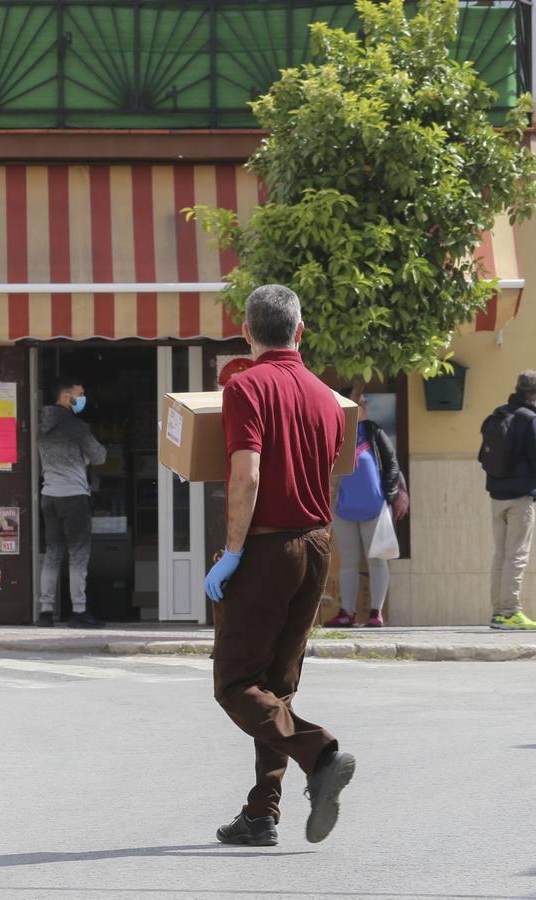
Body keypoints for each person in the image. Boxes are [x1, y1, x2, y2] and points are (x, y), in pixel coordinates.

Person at [204, 284, 355, 848]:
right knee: (276, 689)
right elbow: (332, 475)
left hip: (267, 548)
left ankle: (323, 752)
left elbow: (246, 475)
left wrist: (235, 550)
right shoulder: (326, 397)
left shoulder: (244, 387)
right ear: (300, 329)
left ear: (246, 332)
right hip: (317, 545)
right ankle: (262, 812)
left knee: (236, 683)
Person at [481, 370, 536, 631]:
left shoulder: (499, 415)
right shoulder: (529, 421)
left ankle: (498, 610)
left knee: (501, 555)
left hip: (497, 494)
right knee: (517, 555)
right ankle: (509, 612)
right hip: (520, 497)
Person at [325, 401, 408, 628]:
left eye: (360, 405)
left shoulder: (373, 431)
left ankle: (375, 612)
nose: (357, 408)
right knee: (348, 562)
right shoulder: (334, 432)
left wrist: (390, 496)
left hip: (375, 506)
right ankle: (347, 612)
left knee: (377, 560)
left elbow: (391, 463)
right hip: (344, 509)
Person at [37, 375, 107, 629]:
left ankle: (45, 610)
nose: (82, 398)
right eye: (80, 393)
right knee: (78, 555)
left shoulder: (39, 424)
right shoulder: (76, 427)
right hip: (74, 497)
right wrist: (85, 460)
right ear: (67, 397)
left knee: (53, 553)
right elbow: (99, 456)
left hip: (49, 496)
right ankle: (78, 610)